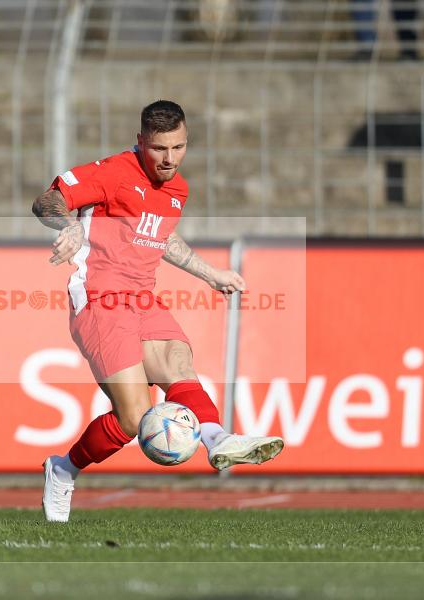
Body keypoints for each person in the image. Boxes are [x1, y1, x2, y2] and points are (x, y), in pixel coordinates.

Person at [31, 100, 285, 523]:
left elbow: (161, 239)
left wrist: (209, 273)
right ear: (141, 143)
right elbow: (47, 201)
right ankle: (63, 470)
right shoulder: (112, 172)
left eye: (178, 148)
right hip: (99, 298)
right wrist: (70, 225)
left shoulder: (177, 190)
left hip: (143, 298)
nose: (169, 159)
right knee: (131, 419)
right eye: (159, 150)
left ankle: (217, 439)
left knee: (179, 363)